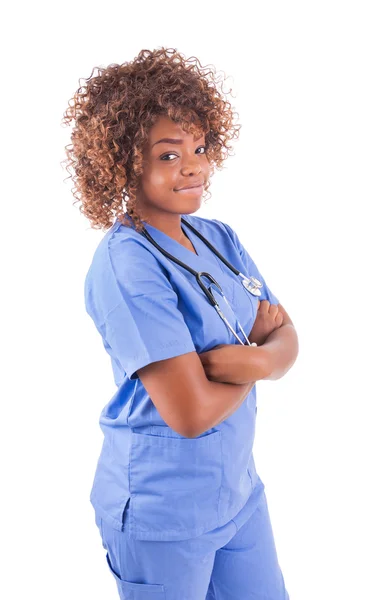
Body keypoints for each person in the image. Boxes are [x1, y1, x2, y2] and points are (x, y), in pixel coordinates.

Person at [62, 47, 298, 600]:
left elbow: (286, 333)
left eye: (199, 148)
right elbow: (189, 413)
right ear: (122, 163)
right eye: (169, 155)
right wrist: (262, 357)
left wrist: (254, 361)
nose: (193, 165)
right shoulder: (126, 264)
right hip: (161, 509)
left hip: (237, 492)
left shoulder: (219, 237)